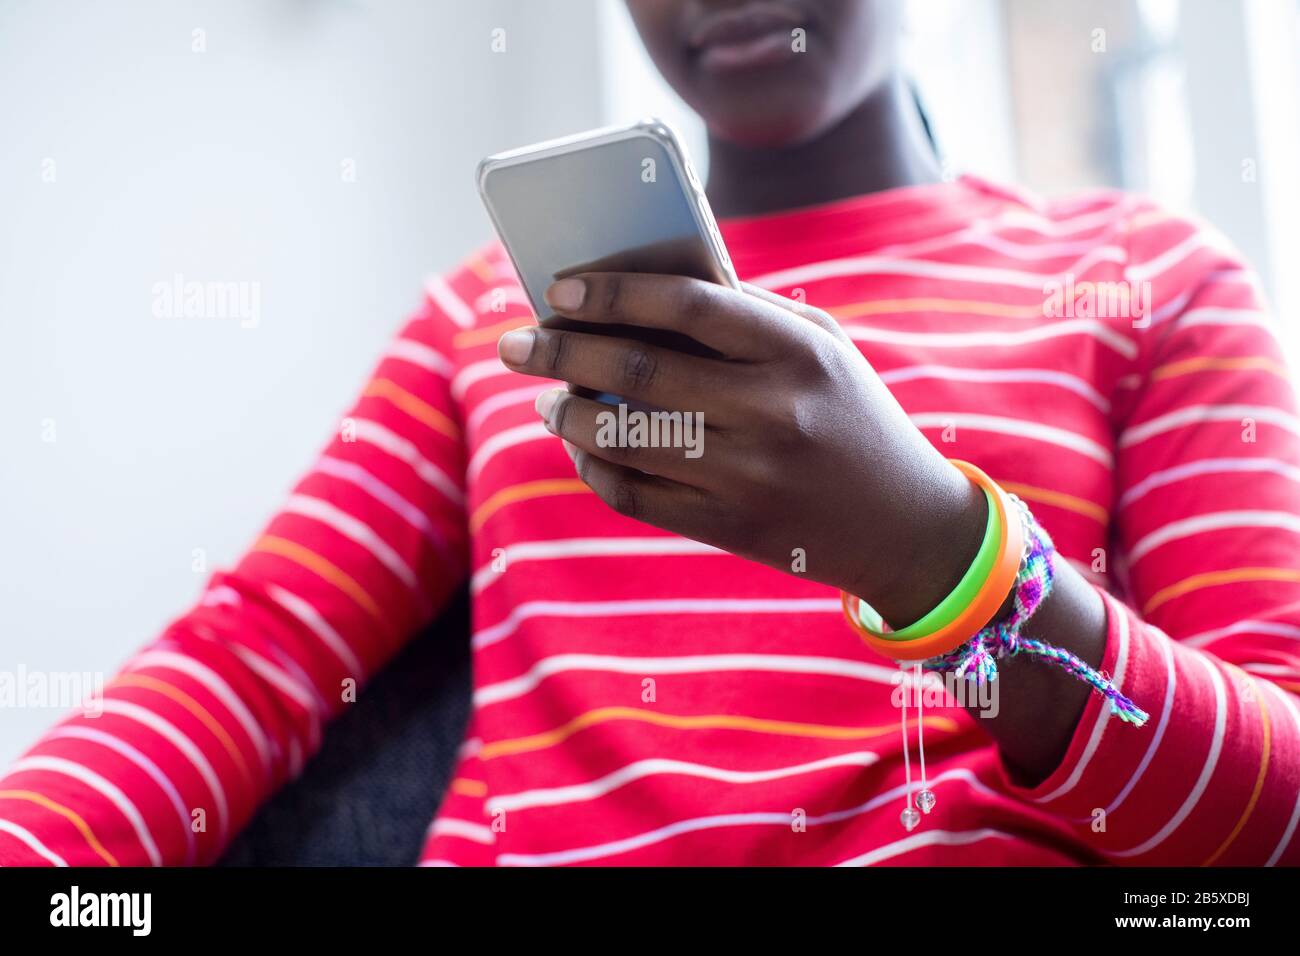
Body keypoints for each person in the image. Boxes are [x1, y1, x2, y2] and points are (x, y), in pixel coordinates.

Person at [3, 0, 1298, 867]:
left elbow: (1273, 814)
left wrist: (933, 556)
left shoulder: (1144, 280)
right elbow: (253, 657)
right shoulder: (481, 320)